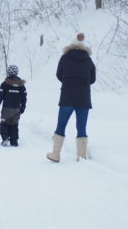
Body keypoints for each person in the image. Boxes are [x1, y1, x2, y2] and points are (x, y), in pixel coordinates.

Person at [47, 32, 96, 163]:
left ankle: (55, 154)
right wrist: (83, 84)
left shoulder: (65, 58)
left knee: (61, 125)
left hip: (67, 97)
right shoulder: (88, 60)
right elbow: (92, 79)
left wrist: (68, 82)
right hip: (84, 98)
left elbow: (58, 74)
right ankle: (81, 157)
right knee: (81, 128)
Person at [0, 64, 27, 147]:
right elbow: (24, 97)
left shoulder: (5, 84)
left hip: (6, 108)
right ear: (17, 72)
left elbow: (0, 96)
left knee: (4, 123)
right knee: (14, 124)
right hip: (17, 109)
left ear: (8, 72)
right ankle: (14, 140)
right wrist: (23, 107)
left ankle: (5, 138)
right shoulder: (21, 85)